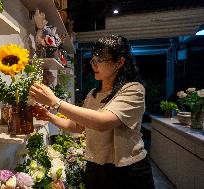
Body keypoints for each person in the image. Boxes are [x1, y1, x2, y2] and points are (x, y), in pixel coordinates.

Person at [29, 35, 155, 189]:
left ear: (119, 62)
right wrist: (49, 116)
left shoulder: (133, 89)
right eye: (93, 60)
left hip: (129, 170)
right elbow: (77, 126)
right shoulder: (93, 94)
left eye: (100, 60)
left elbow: (103, 122)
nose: (94, 65)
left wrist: (55, 102)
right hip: (96, 167)